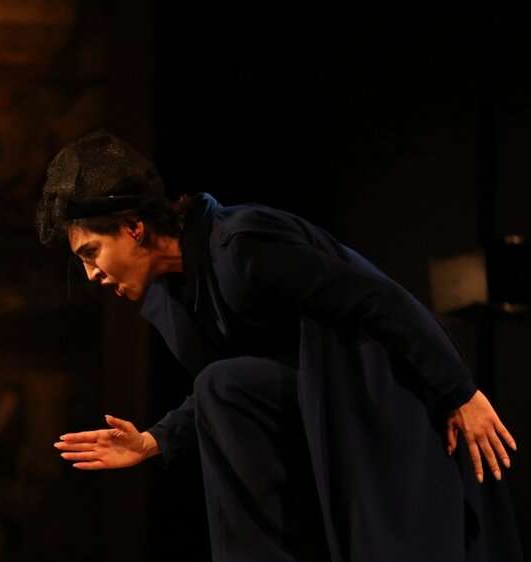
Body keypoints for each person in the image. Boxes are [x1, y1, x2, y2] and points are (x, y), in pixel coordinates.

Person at [37, 129, 524, 561]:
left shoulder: (241, 246)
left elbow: (378, 298)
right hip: (316, 415)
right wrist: (154, 440)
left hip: (376, 402)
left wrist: (460, 391)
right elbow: (225, 389)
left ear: (132, 227)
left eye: (91, 253)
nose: (92, 274)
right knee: (221, 385)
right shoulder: (176, 295)